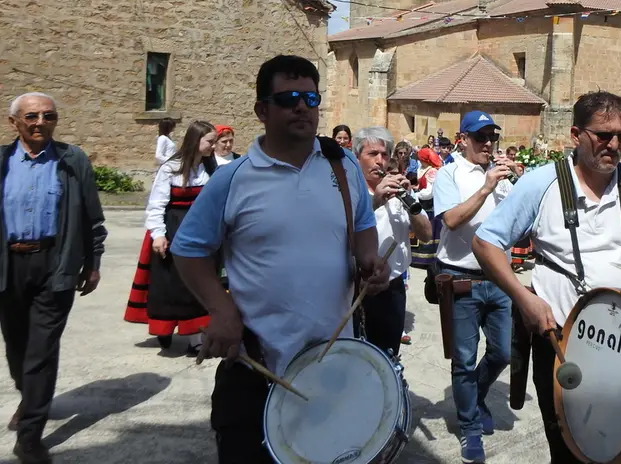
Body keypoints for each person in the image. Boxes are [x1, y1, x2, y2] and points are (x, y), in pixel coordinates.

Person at [170, 55, 389, 464]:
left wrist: (370, 261)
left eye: (310, 97)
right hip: (257, 366)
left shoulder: (343, 169)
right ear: (262, 110)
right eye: (289, 98)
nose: (302, 107)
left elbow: (361, 226)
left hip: (333, 367)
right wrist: (220, 309)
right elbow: (188, 249)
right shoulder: (233, 178)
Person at [473, 91, 621, 464]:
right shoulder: (540, 184)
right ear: (576, 135)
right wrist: (524, 298)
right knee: (570, 448)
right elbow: (486, 243)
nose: (614, 145)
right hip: (559, 338)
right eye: (603, 135)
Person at [1, 93, 106, 464]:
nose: (40, 122)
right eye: (31, 116)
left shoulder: (71, 160)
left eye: (49, 116)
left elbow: (93, 218)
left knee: (42, 351)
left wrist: (92, 262)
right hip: (8, 265)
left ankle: (30, 434)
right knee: (16, 347)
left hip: (54, 263)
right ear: (14, 122)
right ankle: (29, 395)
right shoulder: (0, 161)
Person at [432, 111, 514, 464]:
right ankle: (469, 428)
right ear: (463, 138)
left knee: (503, 352)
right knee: (464, 360)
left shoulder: (501, 178)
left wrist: (515, 187)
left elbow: (516, 224)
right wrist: (486, 188)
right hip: (460, 276)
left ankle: (475, 396)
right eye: (480, 137)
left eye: (491, 137)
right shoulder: (449, 173)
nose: (487, 144)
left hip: (498, 278)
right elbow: (450, 219)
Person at [124, 121, 218, 354]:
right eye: (210, 142)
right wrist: (158, 235)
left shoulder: (208, 168)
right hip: (172, 229)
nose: (213, 146)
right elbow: (156, 205)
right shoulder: (171, 168)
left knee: (196, 283)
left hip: (198, 232)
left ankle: (196, 337)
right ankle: (164, 328)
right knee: (168, 284)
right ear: (196, 141)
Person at [353, 128, 432, 355]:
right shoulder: (350, 193)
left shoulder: (398, 191)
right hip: (357, 287)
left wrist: (409, 202)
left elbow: (426, 235)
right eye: (372, 154)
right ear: (357, 157)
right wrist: (375, 201)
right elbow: (342, 235)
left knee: (388, 358)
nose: (380, 161)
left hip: (392, 289)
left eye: (385, 155)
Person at [410, 147, 444, 270]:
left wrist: (416, 194)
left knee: (429, 230)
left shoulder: (432, 172)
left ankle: (427, 257)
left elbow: (430, 192)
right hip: (422, 204)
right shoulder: (423, 169)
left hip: (428, 205)